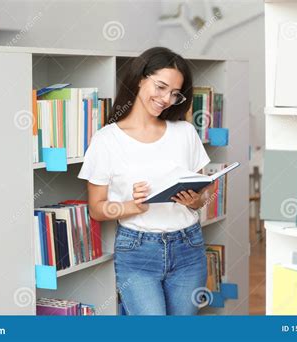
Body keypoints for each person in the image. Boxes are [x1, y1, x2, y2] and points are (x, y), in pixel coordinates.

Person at [78, 46, 213, 315]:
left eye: (175, 94)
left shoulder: (184, 132)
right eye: (161, 87)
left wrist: (197, 200)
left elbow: (205, 191)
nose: (166, 99)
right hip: (137, 251)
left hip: (189, 246)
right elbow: (97, 208)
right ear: (140, 78)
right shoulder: (107, 139)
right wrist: (131, 206)